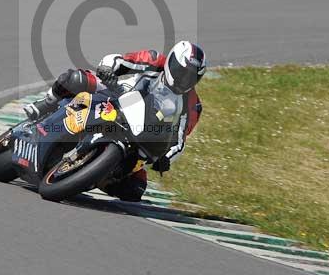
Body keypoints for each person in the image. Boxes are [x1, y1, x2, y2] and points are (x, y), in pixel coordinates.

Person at [23, 41, 206, 202]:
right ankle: (46, 105)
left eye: (191, 76)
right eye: (182, 72)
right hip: (119, 94)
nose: (184, 79)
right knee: (76, 79)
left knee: (134, 190)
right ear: (172, 62)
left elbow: (180, 140)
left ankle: (95, 175)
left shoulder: (192, 104)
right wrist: (108, 69)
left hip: (142, 133)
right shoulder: (154, 60)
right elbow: (119, 60)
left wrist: (166, 159)